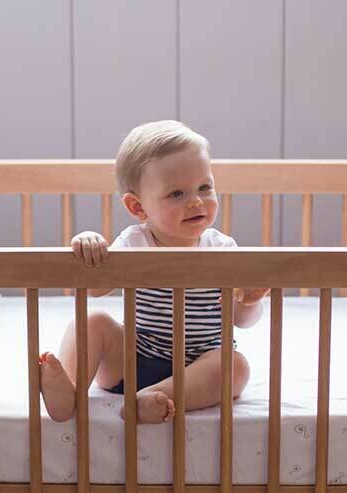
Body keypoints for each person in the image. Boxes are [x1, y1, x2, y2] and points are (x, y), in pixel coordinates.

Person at [39, 120, 267, 423]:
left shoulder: (222, 248)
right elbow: (94, 289)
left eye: (204, 187)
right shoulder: (134, 243)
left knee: (235, 366)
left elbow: (242, 321)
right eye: (177, 194)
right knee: (91, 321)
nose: (197, 200)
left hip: (198, 367)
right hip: (133, 361)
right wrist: (89, 247)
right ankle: (67, 391)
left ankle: (153, 397)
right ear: (137, 207)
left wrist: (248, 302)